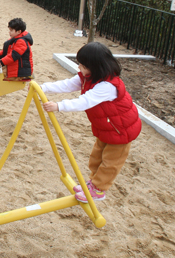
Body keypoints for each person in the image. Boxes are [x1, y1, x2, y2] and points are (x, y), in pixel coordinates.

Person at [41, 42, 142, 203]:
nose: (79, 68)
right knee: (96, 156)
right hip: (106, 127)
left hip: (121, 130)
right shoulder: (88, 76)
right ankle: (93, 183)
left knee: (110, 162)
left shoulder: (107, 86)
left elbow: (84, 102)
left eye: (82, 65)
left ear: (96, 67)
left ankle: (99, 190)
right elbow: (67, 85)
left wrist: (59, 106)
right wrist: (44, 87)